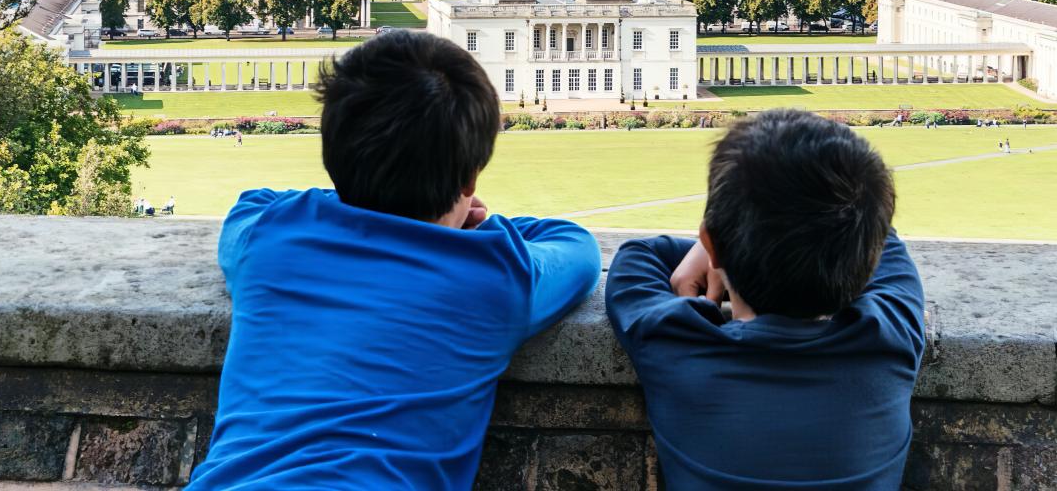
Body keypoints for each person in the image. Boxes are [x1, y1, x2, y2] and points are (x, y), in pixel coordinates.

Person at [188, 30, 601, 490]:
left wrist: (354, 193)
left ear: (334, 155)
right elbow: (577, 249)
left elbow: (250, 204)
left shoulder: (271, 238)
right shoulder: (491, 275)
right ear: (469, 179)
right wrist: (475, 228)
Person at [605, 110, 925, 490]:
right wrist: (719, 244)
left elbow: (635, 258)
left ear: (712, 246)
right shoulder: (889, 340)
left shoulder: (676, 345)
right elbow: (881, 238)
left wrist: (718, 246)